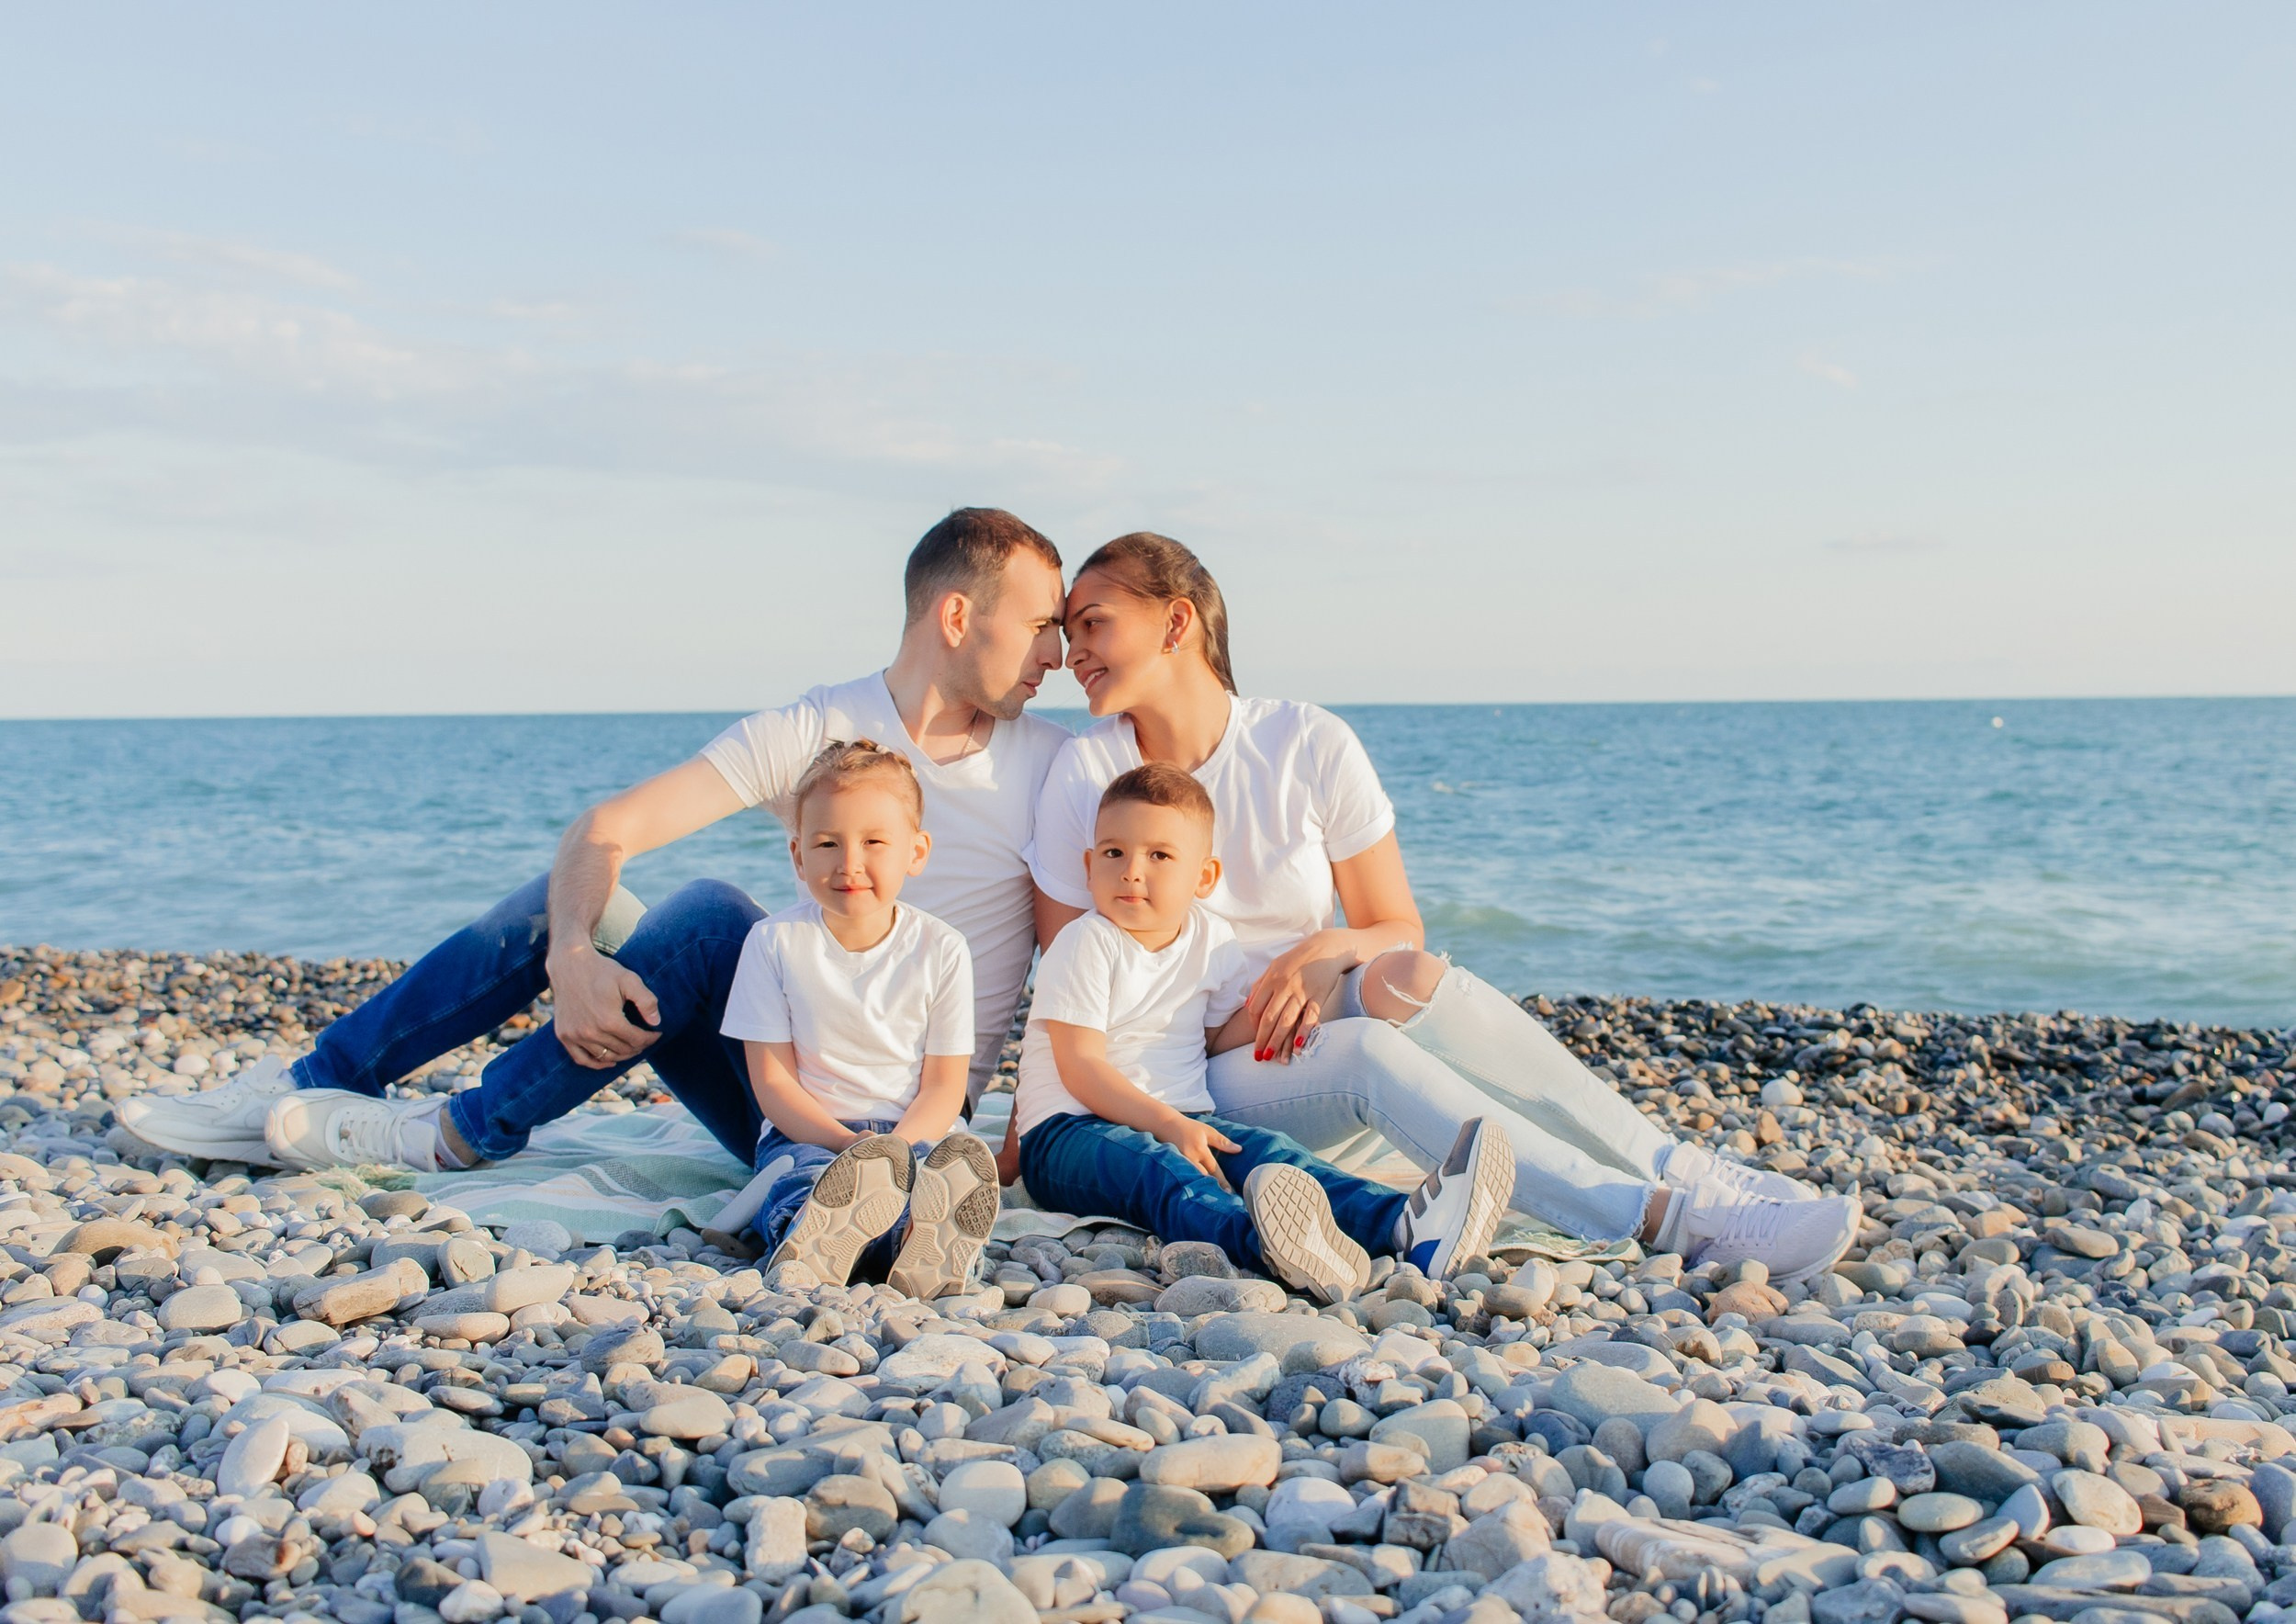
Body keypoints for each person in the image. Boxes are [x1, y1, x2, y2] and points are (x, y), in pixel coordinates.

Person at [119, 509, 1071, 1183]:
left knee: (701, 914)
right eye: (1038, 625)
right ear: (957, 615)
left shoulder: (1053, 766)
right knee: (582, 897)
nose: (1055, 655)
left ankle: (460, 1128)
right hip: (781, 1086)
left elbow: (1081, 949)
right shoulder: (819, 729)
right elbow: (604, 830)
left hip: (899, 1116)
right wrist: (573, 953)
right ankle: (305, 1085)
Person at [1020, 532, 1862, 1285]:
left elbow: (1398, 926)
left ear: (1176, 624)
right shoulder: (1086, 773)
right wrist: (1231, 1022)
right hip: (1194, 1077)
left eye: (1091, 623)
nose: (1071, 653)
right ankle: (1669, 1219)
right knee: (1360, 1049)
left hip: (1303, 1041)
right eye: (1067, 632)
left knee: (1409, 978)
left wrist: (1324, 952)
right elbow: (1091, 988)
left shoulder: (1304, 741)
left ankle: (1695, 1171)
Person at [1015, 762, 1514, 1302]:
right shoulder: (1085, 942)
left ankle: (1408, 1226)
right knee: (1164, 1175)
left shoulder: (1212, 938)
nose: (1132, 871)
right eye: (1114, 853)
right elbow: (1080, 1066)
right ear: (1090, 866)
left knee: (1273, 1153)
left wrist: (1298, 1004)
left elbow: (1216, 1036)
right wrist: (1168, 1125)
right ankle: (1268, 1245)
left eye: (1159, 855)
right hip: (1068, 1131)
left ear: (1203, 876)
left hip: (1183, 1117)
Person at [714, 739, 996, 1299]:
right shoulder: (775, 943)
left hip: (918, 1131)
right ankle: (811, 1244)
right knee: (803, 1183)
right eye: (827, 843)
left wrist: (899, 1152)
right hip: (813, 1131)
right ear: (798, 854)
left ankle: (926, 1244)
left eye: (874, 842)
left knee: (939, 1181)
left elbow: (945, 1086)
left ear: (916, 851)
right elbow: (772, 1082)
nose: (849, 864)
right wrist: (848, 1147)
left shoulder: (942, 948)